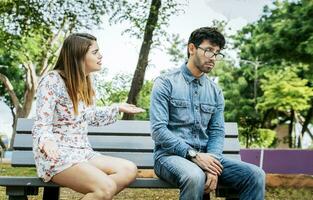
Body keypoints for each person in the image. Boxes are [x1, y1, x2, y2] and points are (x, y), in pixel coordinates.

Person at [150, 27, 265, 200]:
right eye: (209, 50)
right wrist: (194, 156)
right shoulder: (166, 83)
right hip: (169, 157)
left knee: (255, 175)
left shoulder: (215, 91)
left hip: (208, 156)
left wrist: (211, 164)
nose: (213, 58)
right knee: (195, 175)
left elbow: (217, 131)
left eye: (217, 53)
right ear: (191, 49)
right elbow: (158, 130)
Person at [32, 33, 145, 200]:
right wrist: (46, 140)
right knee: (105, 188)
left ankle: (99, 191)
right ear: (78, 55)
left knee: (128, 170)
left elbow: (90, 116)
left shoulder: (86, 83)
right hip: (57, 155)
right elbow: (42, 122)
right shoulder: (52, 81)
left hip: (82, 152)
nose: (101, 56)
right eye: (95, 52)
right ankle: (101, 190)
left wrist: (117, 108)